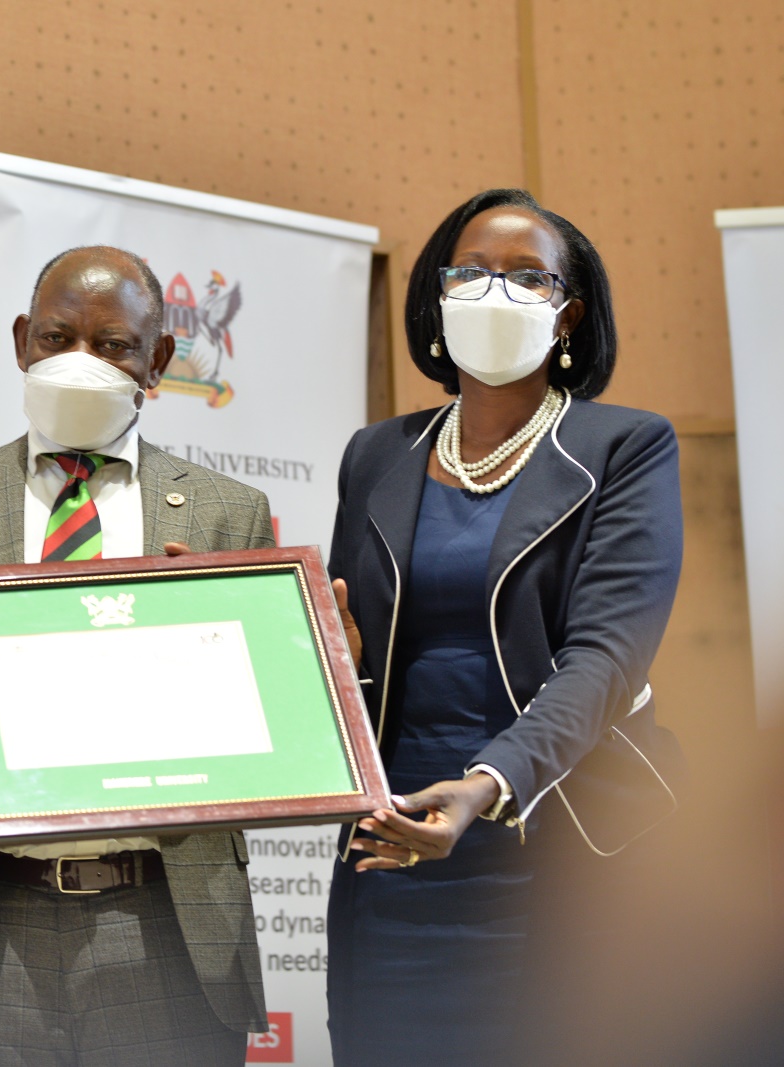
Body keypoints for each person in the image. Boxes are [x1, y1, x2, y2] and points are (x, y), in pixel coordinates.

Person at [0, 246, 271, 1066]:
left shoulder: (227, 515)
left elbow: (262, 754)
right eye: (57, 337)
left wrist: (216, 659)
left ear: (159, 362)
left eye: (112, 346)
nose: (80, 362)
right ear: (19, 343)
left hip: (168, 930)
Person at [323, 188, 684, 1064]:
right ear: (437, 299)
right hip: (393, 848)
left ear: (569, 313)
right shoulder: (378, 453)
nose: (496, 292)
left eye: (529, 277)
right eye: (473, 272)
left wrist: (486, 786)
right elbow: (353, 646)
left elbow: (604, 658)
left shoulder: (625, 447)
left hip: (560, 850)